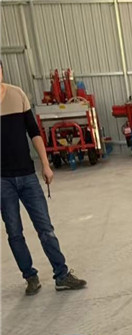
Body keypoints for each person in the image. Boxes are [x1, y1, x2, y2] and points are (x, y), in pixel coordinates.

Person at [0, 61, 86, 294]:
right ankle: (30, 277)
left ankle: (62, 275)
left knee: (45, 228)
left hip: (27, 175)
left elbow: (34, 132)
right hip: (2, 181)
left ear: (1, 71)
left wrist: (46, 165)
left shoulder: (17, 95)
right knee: (14, 233)